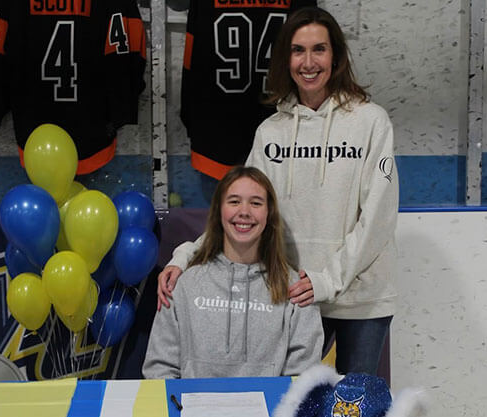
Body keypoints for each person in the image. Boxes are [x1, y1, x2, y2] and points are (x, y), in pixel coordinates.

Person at [158, 6, 399, 376]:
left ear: (335, 57)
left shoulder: (371, 122)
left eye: (319, 49)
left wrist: (326, 281)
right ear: (286, 59)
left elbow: (378, 219)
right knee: (292, 406)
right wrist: (184, 257)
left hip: (358, 301)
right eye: (298, 50)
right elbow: (243, 211)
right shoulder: (271, 132)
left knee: (354, 412)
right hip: (293, 298)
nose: (308, 62)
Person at [143, 166, 323, 379]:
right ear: (219, 211)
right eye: (234, 201)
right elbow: (159, 368)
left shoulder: (296, 288)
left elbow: (303, 379)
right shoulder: (183, 283)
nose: (244, 211)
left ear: (269, 214)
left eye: (256, 203)